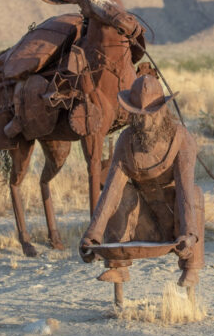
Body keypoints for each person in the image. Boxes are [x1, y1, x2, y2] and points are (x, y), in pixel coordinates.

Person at [79, 74, 205, 288]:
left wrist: (188, 234)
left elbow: (183, 190)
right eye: (139, 115)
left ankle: (191, 267)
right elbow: (111, 191)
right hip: (142, 220)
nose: (145, 121)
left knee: (193, 193)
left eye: (151, 114)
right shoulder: (126, 141)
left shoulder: (181, 139)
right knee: (123, 192)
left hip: (175, 219)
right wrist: (93, 235)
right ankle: (117, 265)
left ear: (162, 110)